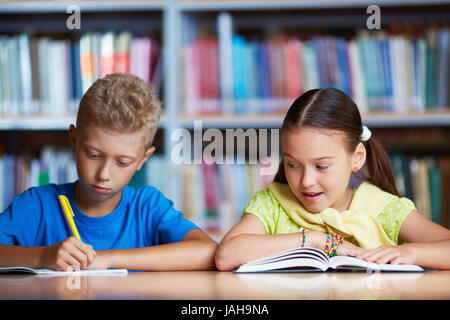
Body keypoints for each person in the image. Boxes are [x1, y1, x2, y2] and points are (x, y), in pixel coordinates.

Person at [215, 87, 450, 271]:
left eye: (322, 166)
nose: (306, 181)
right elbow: (226, 255)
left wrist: (412, 253)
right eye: (293, 164)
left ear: (356, 158)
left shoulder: (383, 209)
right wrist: (315, 241)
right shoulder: (273, 204)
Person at [0, 73, 217, 271]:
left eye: (122, 162)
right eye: (94, 155)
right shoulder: (38, 205)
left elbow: (207, 252)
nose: (104, 174)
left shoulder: (147, 207)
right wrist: (42, 257)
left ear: (143, 159)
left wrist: (109, 259)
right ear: (74, 141)